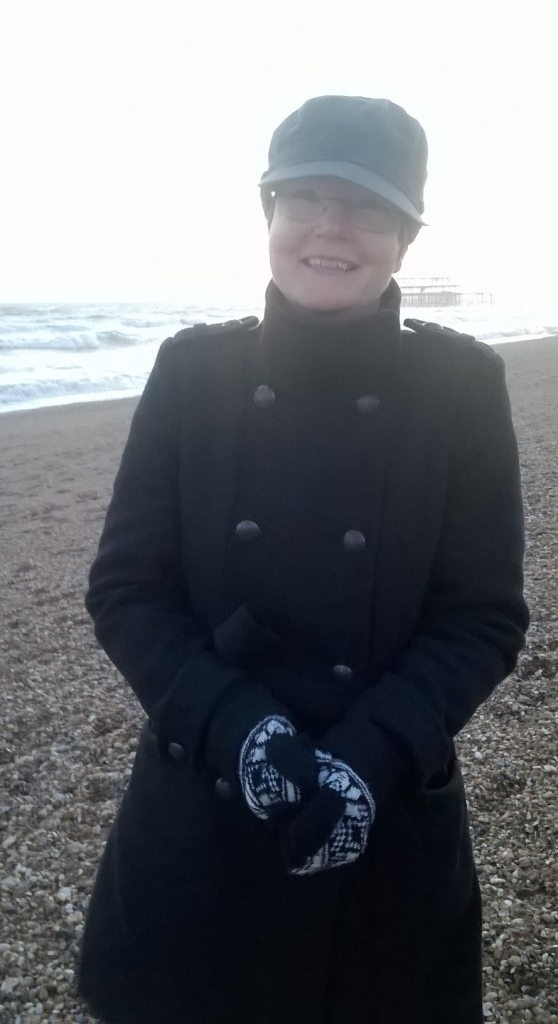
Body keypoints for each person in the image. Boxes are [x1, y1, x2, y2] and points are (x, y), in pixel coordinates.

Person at [78, 96, 529, 1024]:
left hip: (388, 813)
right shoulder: (190, 373)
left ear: (404, 237)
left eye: (366, 207)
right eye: (305, 198)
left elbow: (481, 615)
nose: (332, 227)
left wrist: (365, 759)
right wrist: (240, 729)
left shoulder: (462, 386)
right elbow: (127, 590)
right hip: (199, 807)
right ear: (269, 217)